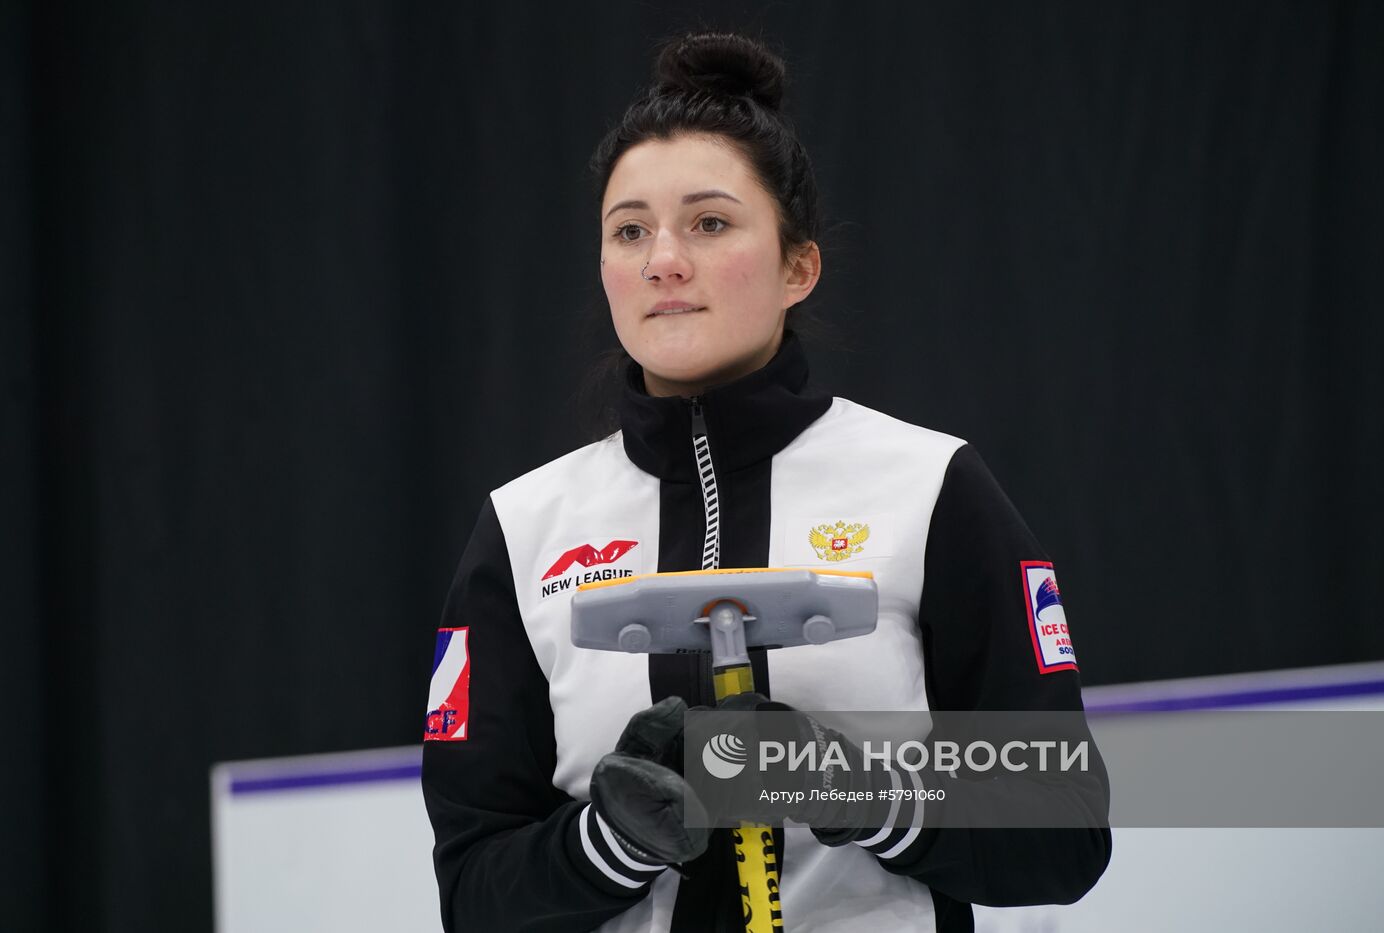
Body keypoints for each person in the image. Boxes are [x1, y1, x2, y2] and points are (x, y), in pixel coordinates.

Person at [421, 31, 1111, 933]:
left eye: (709, 223)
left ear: (798, 267)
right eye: (630, 230)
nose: (664, 258)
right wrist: (608, 844)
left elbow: (1064, 835)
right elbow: (473, 895)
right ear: (604, 270)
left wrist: (874, 798)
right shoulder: (522, 528)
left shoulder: (930, 486)